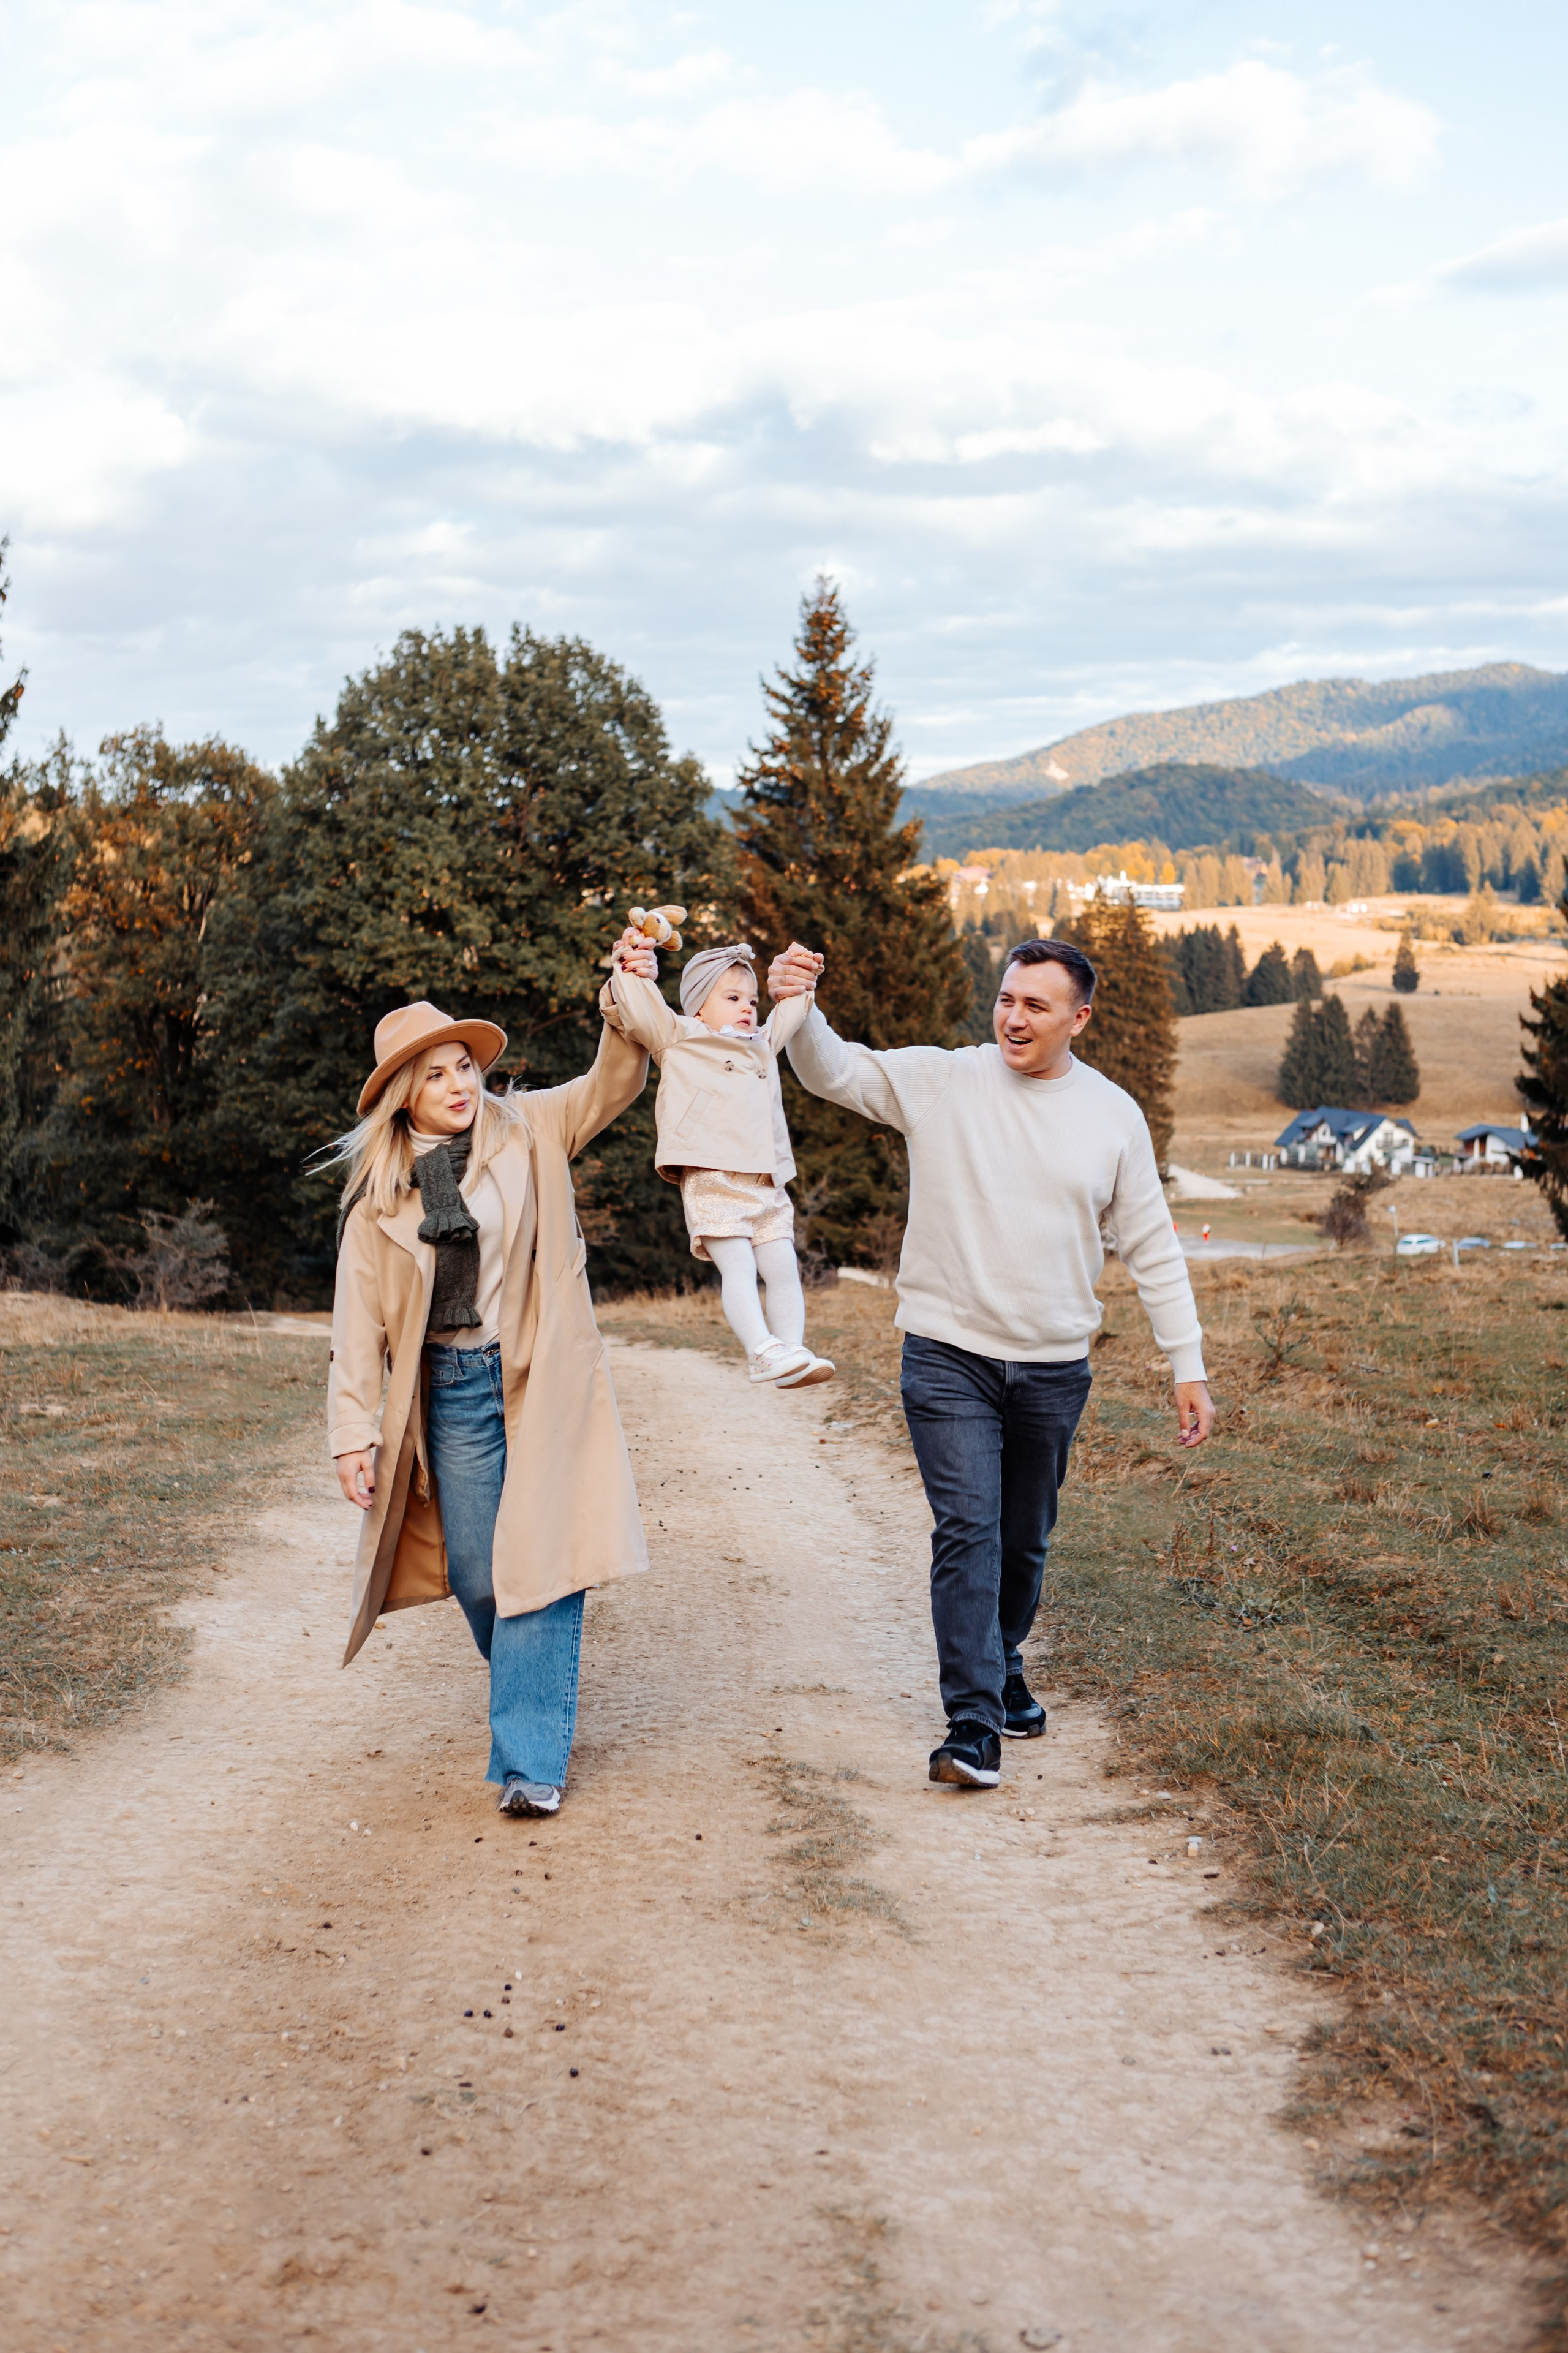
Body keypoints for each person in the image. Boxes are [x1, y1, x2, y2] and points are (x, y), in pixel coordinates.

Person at [768, 934, 1213, 1791]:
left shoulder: (1113, 1115)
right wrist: (801, 1008)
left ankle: (1004, 1658)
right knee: (968, 1529)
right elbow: (836, 1073)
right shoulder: (946, 1078)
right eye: (1007, 998)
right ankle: (972, 1722)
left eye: (1036, 1005)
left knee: (1023, 1539)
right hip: (948, 1355)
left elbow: (1153, 1245)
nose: (1013, 1017)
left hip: (1053, 1365)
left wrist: (1185, 1363)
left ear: (1078, 1019)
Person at [325, 931, 657, 1819]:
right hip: (451, 1393)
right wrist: (352, 1435)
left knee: (539, 1561)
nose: (460, 1084)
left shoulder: (530, 1128)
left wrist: (623, 996)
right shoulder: (381, 1201)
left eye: (464, 1065)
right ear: (405, 1094)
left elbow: (613, 1084)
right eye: (436, 1074)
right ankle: (535, 1685)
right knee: (479, 1573)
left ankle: (530, 1760)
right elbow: (356, 1328)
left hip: (537, 1375)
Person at [600, 938, 834, 1388]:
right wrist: (629, 966)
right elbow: (641, 1006)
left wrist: (804, 978)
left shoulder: (762, 1043)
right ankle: (761, 1351)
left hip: (766, 1180)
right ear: (698, 1008)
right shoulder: (680, 1035)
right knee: (740, 1267)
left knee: (783, 1266)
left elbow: (790, 1011)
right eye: (732, 998)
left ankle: (791, 1348)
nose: (747, 1007)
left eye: (751, 999)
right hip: (712, 1176)